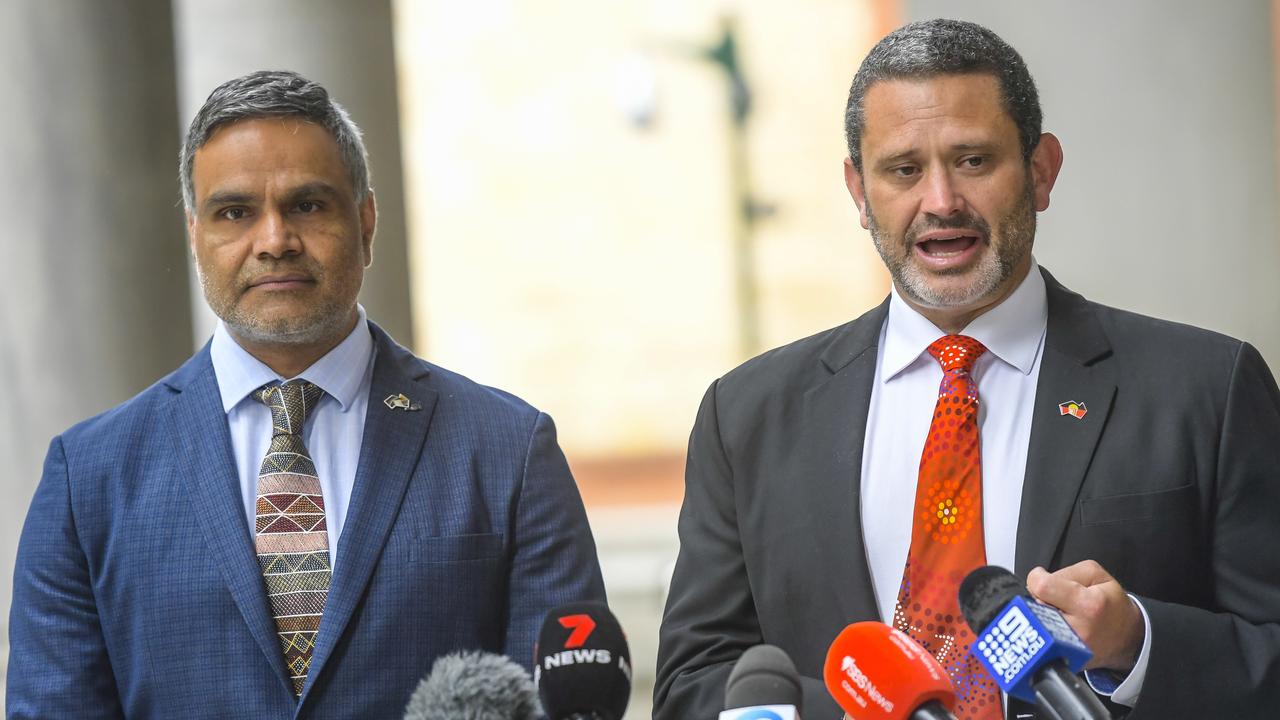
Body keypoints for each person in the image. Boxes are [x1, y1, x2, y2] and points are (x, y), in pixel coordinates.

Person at [654, 18, 1280, 720]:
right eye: (903, 170)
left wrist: (1136, 642)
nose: (941, 200)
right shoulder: (748, 415)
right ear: (859, 191)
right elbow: (695, 685)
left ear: (1041, 171)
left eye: (974, 160)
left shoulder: (1205, 389)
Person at [7, 70, 606, 718]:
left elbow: (568, 708)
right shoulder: (87, 481)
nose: (274, 241)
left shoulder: (506, 453)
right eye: (235, 212)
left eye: (308, 205)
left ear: (367, 222)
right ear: (194, 236)